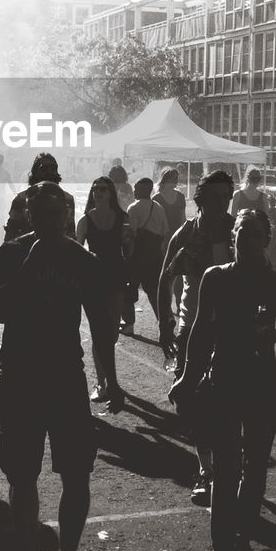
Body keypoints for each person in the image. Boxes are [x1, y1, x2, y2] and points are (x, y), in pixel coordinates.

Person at [0, 182, 112, 551]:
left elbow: (99, 323)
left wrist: (110, 378)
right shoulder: (11, 253)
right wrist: (30, 262)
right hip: (21, 375)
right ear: (28, 215)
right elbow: (0, 310)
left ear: (64, 214)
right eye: (38, 214)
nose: (46, 221)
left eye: (53, 213)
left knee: (76, 473)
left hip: (65, 376)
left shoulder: (82, 260)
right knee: (22, 475)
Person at [170, 208, 276, 551]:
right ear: (233, 238)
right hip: (224, 379)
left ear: (266, 240)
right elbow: (200, 333)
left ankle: (243, 538)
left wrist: (268, 332)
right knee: (227, 472)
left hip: (262, 383)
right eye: (241, 233)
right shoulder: (215, 278)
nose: (246, 239)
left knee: (255, 468)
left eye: (254, 234)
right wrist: (187, 377)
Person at [159, 169, 235, 505]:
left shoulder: (241, 232)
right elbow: (165, 279)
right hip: (194, 328)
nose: (221, 204)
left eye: (226, 198)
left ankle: (229, 468)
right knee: (189, 399)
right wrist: (165, 325)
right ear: (199, 200)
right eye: (214, 198)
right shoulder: (186, 235)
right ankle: (206, 469)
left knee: (236, 402)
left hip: (236, 329)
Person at [75, 177, 131, 410]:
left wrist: (131, 241)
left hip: (116, 278)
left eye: (102, 189)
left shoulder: (123, 218)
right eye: (95, 189)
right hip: (93, 280)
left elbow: (129, 252)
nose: (97, 192)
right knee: (100, 334)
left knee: (111, 334)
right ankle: (102, 384)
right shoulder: (85, 220)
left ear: (110, 193)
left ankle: (109, 380)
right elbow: (77, 251)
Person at [125, 177, 168, 334]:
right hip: (155, 255)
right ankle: (163, 321)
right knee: (154, 291)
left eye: (136, 188)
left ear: (142, 189)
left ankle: (129, 324)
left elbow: (132, 233)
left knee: (129, 288)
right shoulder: (158, 207)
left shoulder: (133, 208)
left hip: (138, 255)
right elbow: (164, 231)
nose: (134, 190)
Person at [4, 152, 77, 242]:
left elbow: (71, 232)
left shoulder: (68, 199)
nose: (49, 172)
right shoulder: (21, 199)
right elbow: (11, 233)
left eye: (53, 168)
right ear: (35, 173)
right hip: (27, 251)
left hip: (58, 252)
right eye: (44, 168)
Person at [154, 166, 188, 238]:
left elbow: (183, 218)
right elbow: (155, 221)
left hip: (177, 234)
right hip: (161, 236)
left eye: (176, 178)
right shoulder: (156, 198)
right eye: (172, 179)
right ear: (165, 180)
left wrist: (184, 233)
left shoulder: (180, 197)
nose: (175, 181)